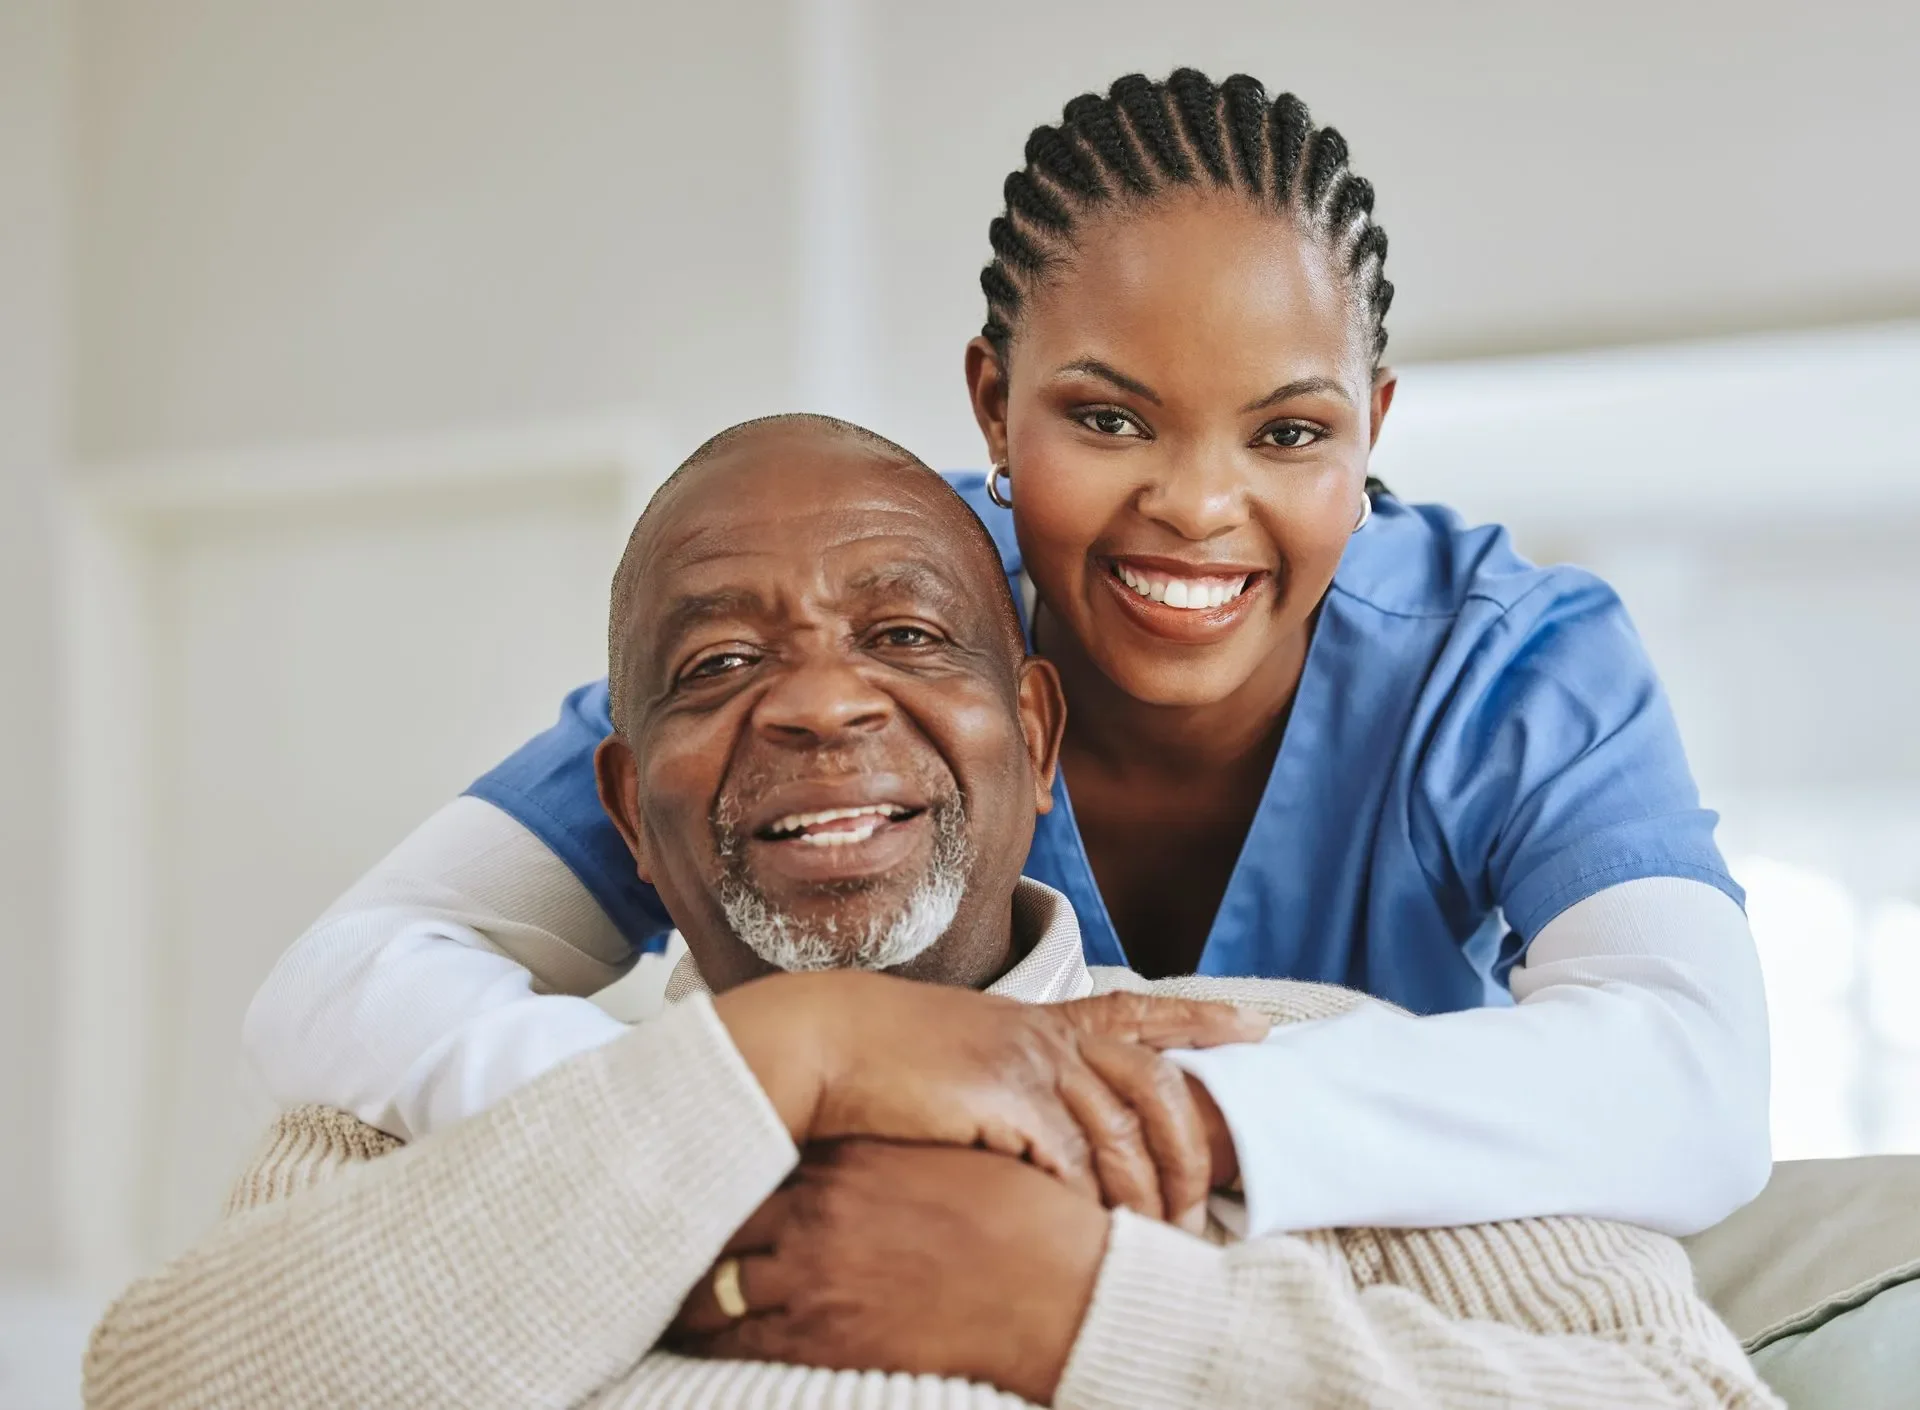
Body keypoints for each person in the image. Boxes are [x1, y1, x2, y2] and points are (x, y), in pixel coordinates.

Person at [244, 70, 1770, 1237]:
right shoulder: (866, 650)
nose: (1195, 507)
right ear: (992, 400)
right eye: (1108, 418)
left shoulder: (1502, 664)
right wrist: (801, 1066)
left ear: (1372, 427)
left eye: (1291, 433)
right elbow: (348, 977)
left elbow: (1695, 1078)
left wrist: (1091, 1109)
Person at [85, 420, 1779, 1409]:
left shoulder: (1310, 1073)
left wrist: (1101, 1311)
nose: (822, 708)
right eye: (721, 664)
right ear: (621, 808)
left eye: (905, 637)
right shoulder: (397, 1134)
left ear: (1035, 740)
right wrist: (777, 1063)